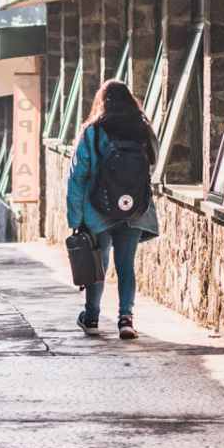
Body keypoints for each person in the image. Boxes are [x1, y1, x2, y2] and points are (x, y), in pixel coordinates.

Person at [66, 79, 161, 340]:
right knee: (126, 265)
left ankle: (92, 317)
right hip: (133, 208)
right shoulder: (142, 130)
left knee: (98, 263)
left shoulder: (93, 132)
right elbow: (152, 164)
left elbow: (77, 176)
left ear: (102, 102)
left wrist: (76, 217)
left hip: (99, 210)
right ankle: (125, 319)